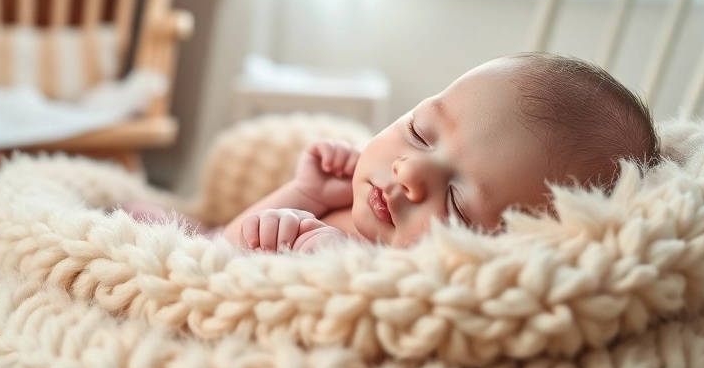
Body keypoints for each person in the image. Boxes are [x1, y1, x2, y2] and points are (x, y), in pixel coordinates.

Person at [220, 52, 661, 253]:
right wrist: (304, 194)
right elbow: (218, 244)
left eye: (458, 203)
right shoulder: (339, 200)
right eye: (419, 132)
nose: (409, 171)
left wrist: (341, 270)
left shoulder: (408, 278)